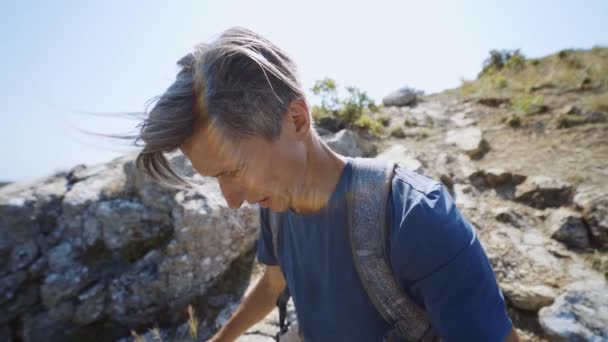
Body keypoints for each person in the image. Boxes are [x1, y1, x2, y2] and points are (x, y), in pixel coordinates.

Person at [133, 26, 520, 341]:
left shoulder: (415, 220)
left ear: (297, 120)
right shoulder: (275, 205)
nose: (232, 201)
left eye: (232, 170)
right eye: (215, 179)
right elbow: (273, 284)